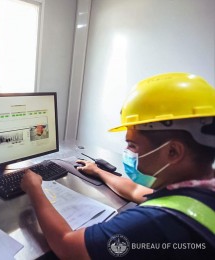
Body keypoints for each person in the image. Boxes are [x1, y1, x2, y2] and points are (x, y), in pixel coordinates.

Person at [21, 72, 215, 259]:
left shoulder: (155, 221)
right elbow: (138, 191)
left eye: (133, 144)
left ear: (173, 152)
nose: (128, 151)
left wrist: (34, 189)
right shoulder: (202, 188)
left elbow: (67, 246)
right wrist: (98, 171)